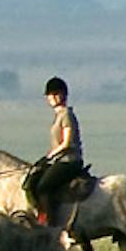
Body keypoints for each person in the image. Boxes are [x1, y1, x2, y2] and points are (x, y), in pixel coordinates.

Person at [24, 77, 85, 227]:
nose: (52, 97)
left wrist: (49, 156)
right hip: (59, 160)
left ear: (63, 95)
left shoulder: (67, 115)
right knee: (33, 180)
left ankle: (50, 224)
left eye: (55, 94)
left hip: (70, 160)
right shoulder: (58, 116)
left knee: (43, 186)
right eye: (50, 95)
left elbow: (67, 143)